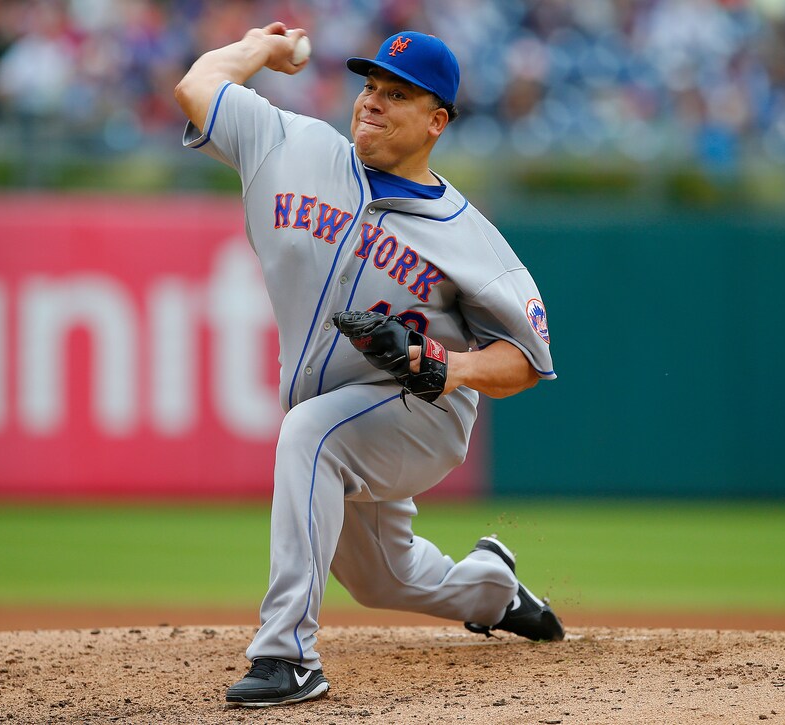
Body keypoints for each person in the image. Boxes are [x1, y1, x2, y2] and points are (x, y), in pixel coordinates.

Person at [174, 23, 564, 708]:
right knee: (385, 577)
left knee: (308, 434)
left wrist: (446, 365)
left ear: (437, 121)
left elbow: (525, 362)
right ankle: (494, 587)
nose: (373, 102)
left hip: (422, 414)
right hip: (344, 414)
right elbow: (197, 86)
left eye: (399, 95)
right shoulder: (291, 147)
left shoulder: (469, 238)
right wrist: (260, 49)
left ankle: (287, 655)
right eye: (371, 86)